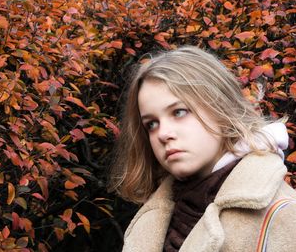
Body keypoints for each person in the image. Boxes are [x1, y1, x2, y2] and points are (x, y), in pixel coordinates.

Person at [108, 46, 296, 252]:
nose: (162, 133)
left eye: (179, 112)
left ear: (221, 106)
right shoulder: (156, 218)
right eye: (151, 124)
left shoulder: (284, 216)